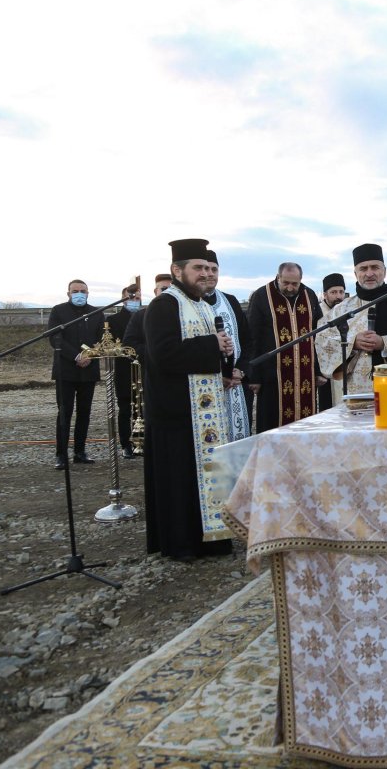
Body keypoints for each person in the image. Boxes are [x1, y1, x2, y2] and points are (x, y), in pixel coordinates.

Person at [141, 239, 235, 561]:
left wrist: (223, 363)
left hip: (205, 410)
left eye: (210, 268)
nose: (206, 274)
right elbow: (162, 355)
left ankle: (213, 540)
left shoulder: (205, 306)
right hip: (176, 411)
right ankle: (183, 545)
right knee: (179, 481)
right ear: (177, 270)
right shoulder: (164, 305)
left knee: (207, 475)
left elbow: (208, 351)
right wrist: (212, 345)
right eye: (198, 268)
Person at [316, 244, 387, 392]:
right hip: (356, 392)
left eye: (375, 267)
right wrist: (351, 342)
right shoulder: (341, 309)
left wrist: (385, 343)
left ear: (384, 271)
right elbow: (323, 340)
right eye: (363, 269)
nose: (369, 273)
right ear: (355, 274)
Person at [248, 262, 324, 431]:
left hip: (305, 372)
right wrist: (254, 376)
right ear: (278, 277)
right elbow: (253, 336)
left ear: (301, 280)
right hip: (272, 373)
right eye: (286, 283)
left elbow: (318, 334)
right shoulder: (262, 295)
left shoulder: (309, 295)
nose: (290, 288)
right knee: (271, 421)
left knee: (306, 421)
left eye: (294, 284)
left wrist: (318, 370)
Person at [47, 279, 104, 469]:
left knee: (84, 413)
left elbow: (101, 339)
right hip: (66, 371)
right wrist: (76, 355)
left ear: (88, 293)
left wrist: (89, 356)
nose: (79, 294)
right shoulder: (58, 311)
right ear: (68, 293)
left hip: (89, 369)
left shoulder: (97, 313)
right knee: (65, 412)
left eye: (83, 291)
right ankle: (61, 455)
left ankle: (80, 452)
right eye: (75, 291)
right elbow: (55, 338)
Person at [202, 250, 251, 439]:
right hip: (206, 385)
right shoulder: (188, 305)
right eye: (205, 269)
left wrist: (241, 370)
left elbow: (247, 340)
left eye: (214, 269)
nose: (210, 274)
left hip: (236, 385)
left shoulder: (230, 301)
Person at [106, 283, 141, 458]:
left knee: (140, 409)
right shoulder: (112, 321)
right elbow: (111, 345)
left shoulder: (147, 316)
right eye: (131, 297)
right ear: (124, 299)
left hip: (143, 370)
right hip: (124, 371)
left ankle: (139, 442)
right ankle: (125, 444)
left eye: (138, 297)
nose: (135, 300)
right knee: (125, 409)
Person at [122, 274, 172, 362]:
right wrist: (156, 353)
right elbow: (129, 344)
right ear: (156, 291)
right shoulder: (140, 316)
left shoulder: (186, 314)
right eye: (164, 289)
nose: (169, 292)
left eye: (173, 289)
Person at [318, 273, 347, 410]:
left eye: (341, 292)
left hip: (346, 368)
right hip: (326, 371)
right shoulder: (318, 312)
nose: (338, 296)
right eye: (333, 292)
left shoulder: (349, 310)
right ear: (325, 295)